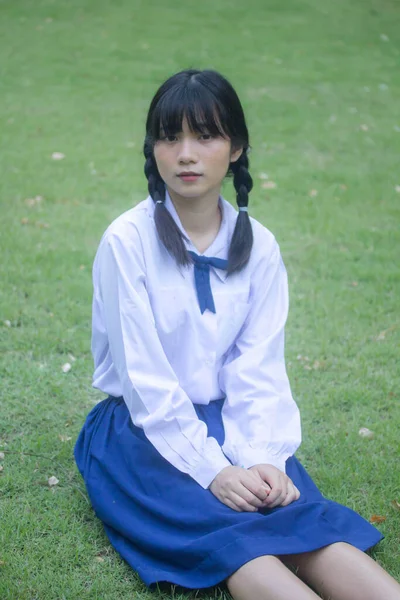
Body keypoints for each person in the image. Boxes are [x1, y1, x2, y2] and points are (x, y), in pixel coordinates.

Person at [74, 69, 400, 600]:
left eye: (205, 136)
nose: (185, 154)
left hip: (233, 420)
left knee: (301, 522)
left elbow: (259, 366)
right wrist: (211, 470)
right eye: (169, 136)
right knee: (237, 538)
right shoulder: (126, 242)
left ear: (237, 147)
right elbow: (146, 381)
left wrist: (263, 454)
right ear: (152, 148)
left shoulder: (261, 246)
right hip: (141, 430)